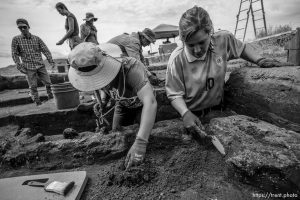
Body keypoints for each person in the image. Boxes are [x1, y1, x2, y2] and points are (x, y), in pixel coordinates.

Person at [165, 6, 294, 136]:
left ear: (210, 32)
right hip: (192, 114)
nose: (197, 50)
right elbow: (174, 94)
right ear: (183, 41)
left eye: (201, 42)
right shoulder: (177, 59)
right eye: (191, 45)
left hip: (218, 110)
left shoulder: (223, 39)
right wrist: (185, 113)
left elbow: (241, 48)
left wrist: (259, 60)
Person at [68, 42, 157, 169]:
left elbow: (150, 102)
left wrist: (141, 142)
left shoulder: (131, 68)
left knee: (148, 135)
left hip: (142, 105)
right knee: (117, 134)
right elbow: (103, 85)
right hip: (122, 104)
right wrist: (103, 101)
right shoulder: (94, 71)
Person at [11, 18, 55, 106]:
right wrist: (19, 66)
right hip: (28, 66)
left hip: (40, 65)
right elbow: (14, 54)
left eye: (24, 27)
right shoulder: (16, 39)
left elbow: (45, 50)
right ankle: (37, 103)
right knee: (33, 86)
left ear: (28, 27)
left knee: (48, 83)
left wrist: (51, 61)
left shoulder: (37, 38)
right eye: (20, 28)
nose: (23, 29)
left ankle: (51, 99)